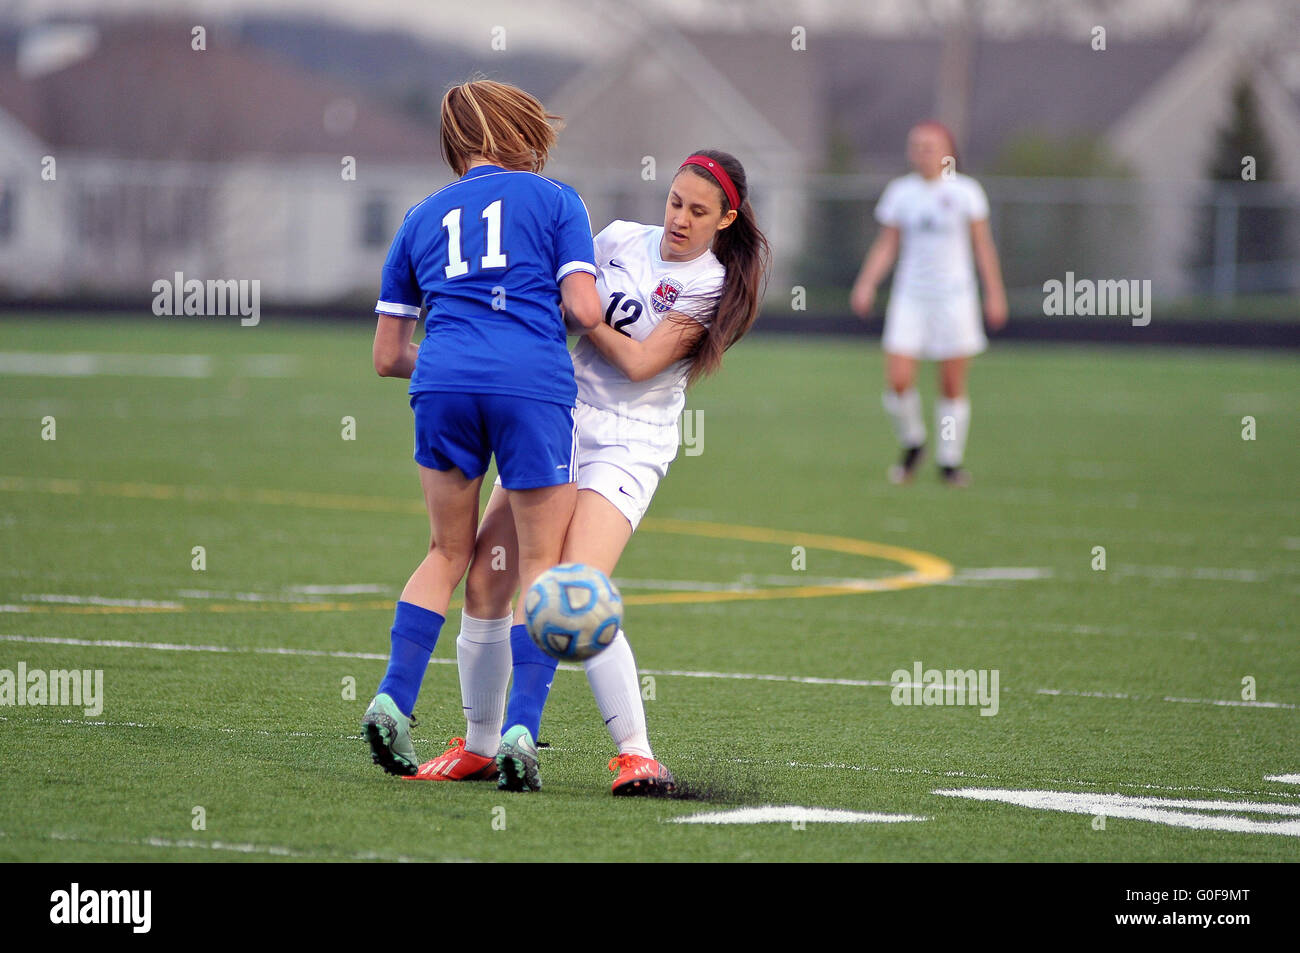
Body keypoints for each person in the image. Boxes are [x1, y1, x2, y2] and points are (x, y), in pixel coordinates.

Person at [408, 149, 771, 794]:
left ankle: (636, 753)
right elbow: (553, 291)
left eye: (698, 211)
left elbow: (637, 364)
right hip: (560, 414)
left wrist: (585, 317)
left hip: (630, 443)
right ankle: (482, 746)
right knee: (487, 581)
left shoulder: (709, 284)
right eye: (675, 202)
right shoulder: (620, 239)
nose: (680, 219)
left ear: (725, 219)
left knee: (573, 589)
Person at [360, 79, 604, 776]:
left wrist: (451, 360)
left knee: (446, 552)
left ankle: (391, 698)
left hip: (442, 382)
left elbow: (386, 356)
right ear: (518, 134)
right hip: (531, 382)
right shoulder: (557, 200)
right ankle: (520, 732)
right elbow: (583, 310)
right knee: (539, 566)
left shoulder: (419, 217)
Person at [850, 120, 1007, 486]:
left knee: (951, 384)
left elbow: (983, 247)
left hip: (955, 299)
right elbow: (888, 243)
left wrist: (995, 293)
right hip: (910, 298)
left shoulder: (967, 192)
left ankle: (950, 462)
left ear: (948, 150)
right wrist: (867, 283)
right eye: (916, 145)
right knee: (899, 380)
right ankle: (914, 441)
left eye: (930, 145)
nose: (922, 152)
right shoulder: (900, 192)